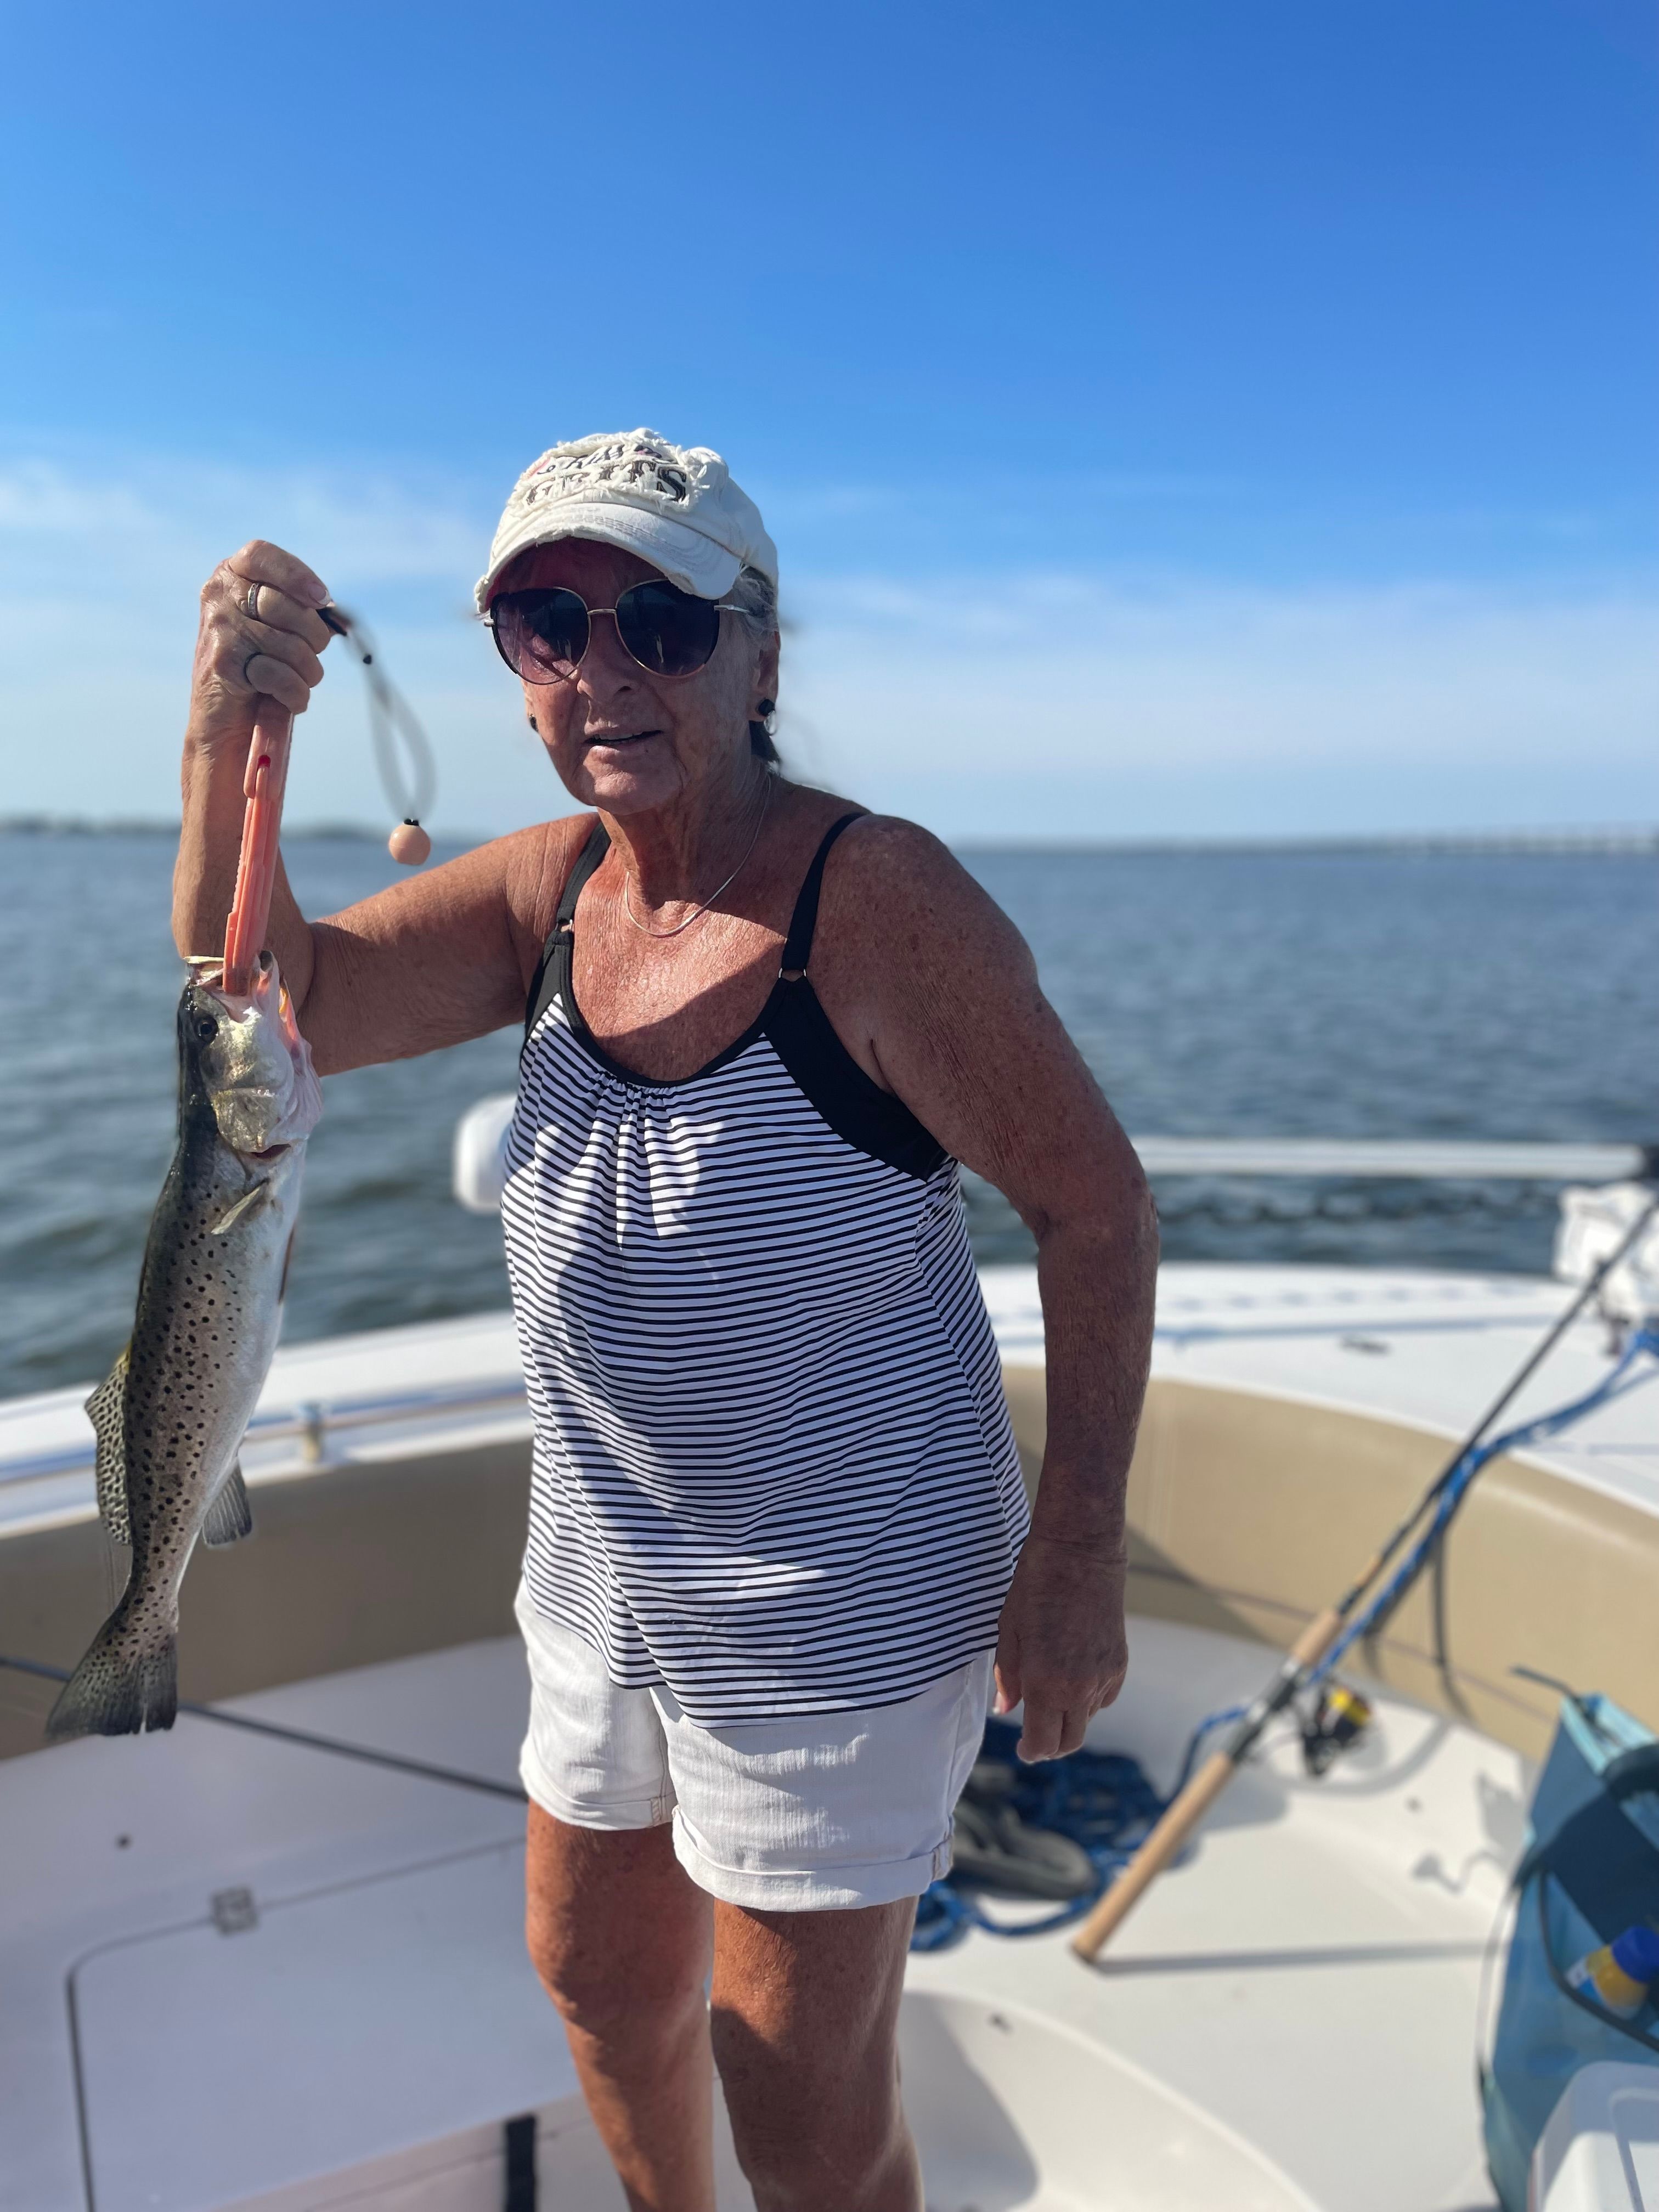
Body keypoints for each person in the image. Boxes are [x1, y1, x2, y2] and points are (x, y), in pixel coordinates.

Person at [173, 428, 1158, 2212]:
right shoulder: (553, 893)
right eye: (547, 624)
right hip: (602, 1583)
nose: (601, 666)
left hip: (835, 1615)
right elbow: (266, 994)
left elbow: (1096, 1205)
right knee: (605, 1987)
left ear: (763, 654)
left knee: (799, 2099)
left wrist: (1080, 1545)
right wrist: (229, 737)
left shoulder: (881, 907)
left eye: (662, 621)